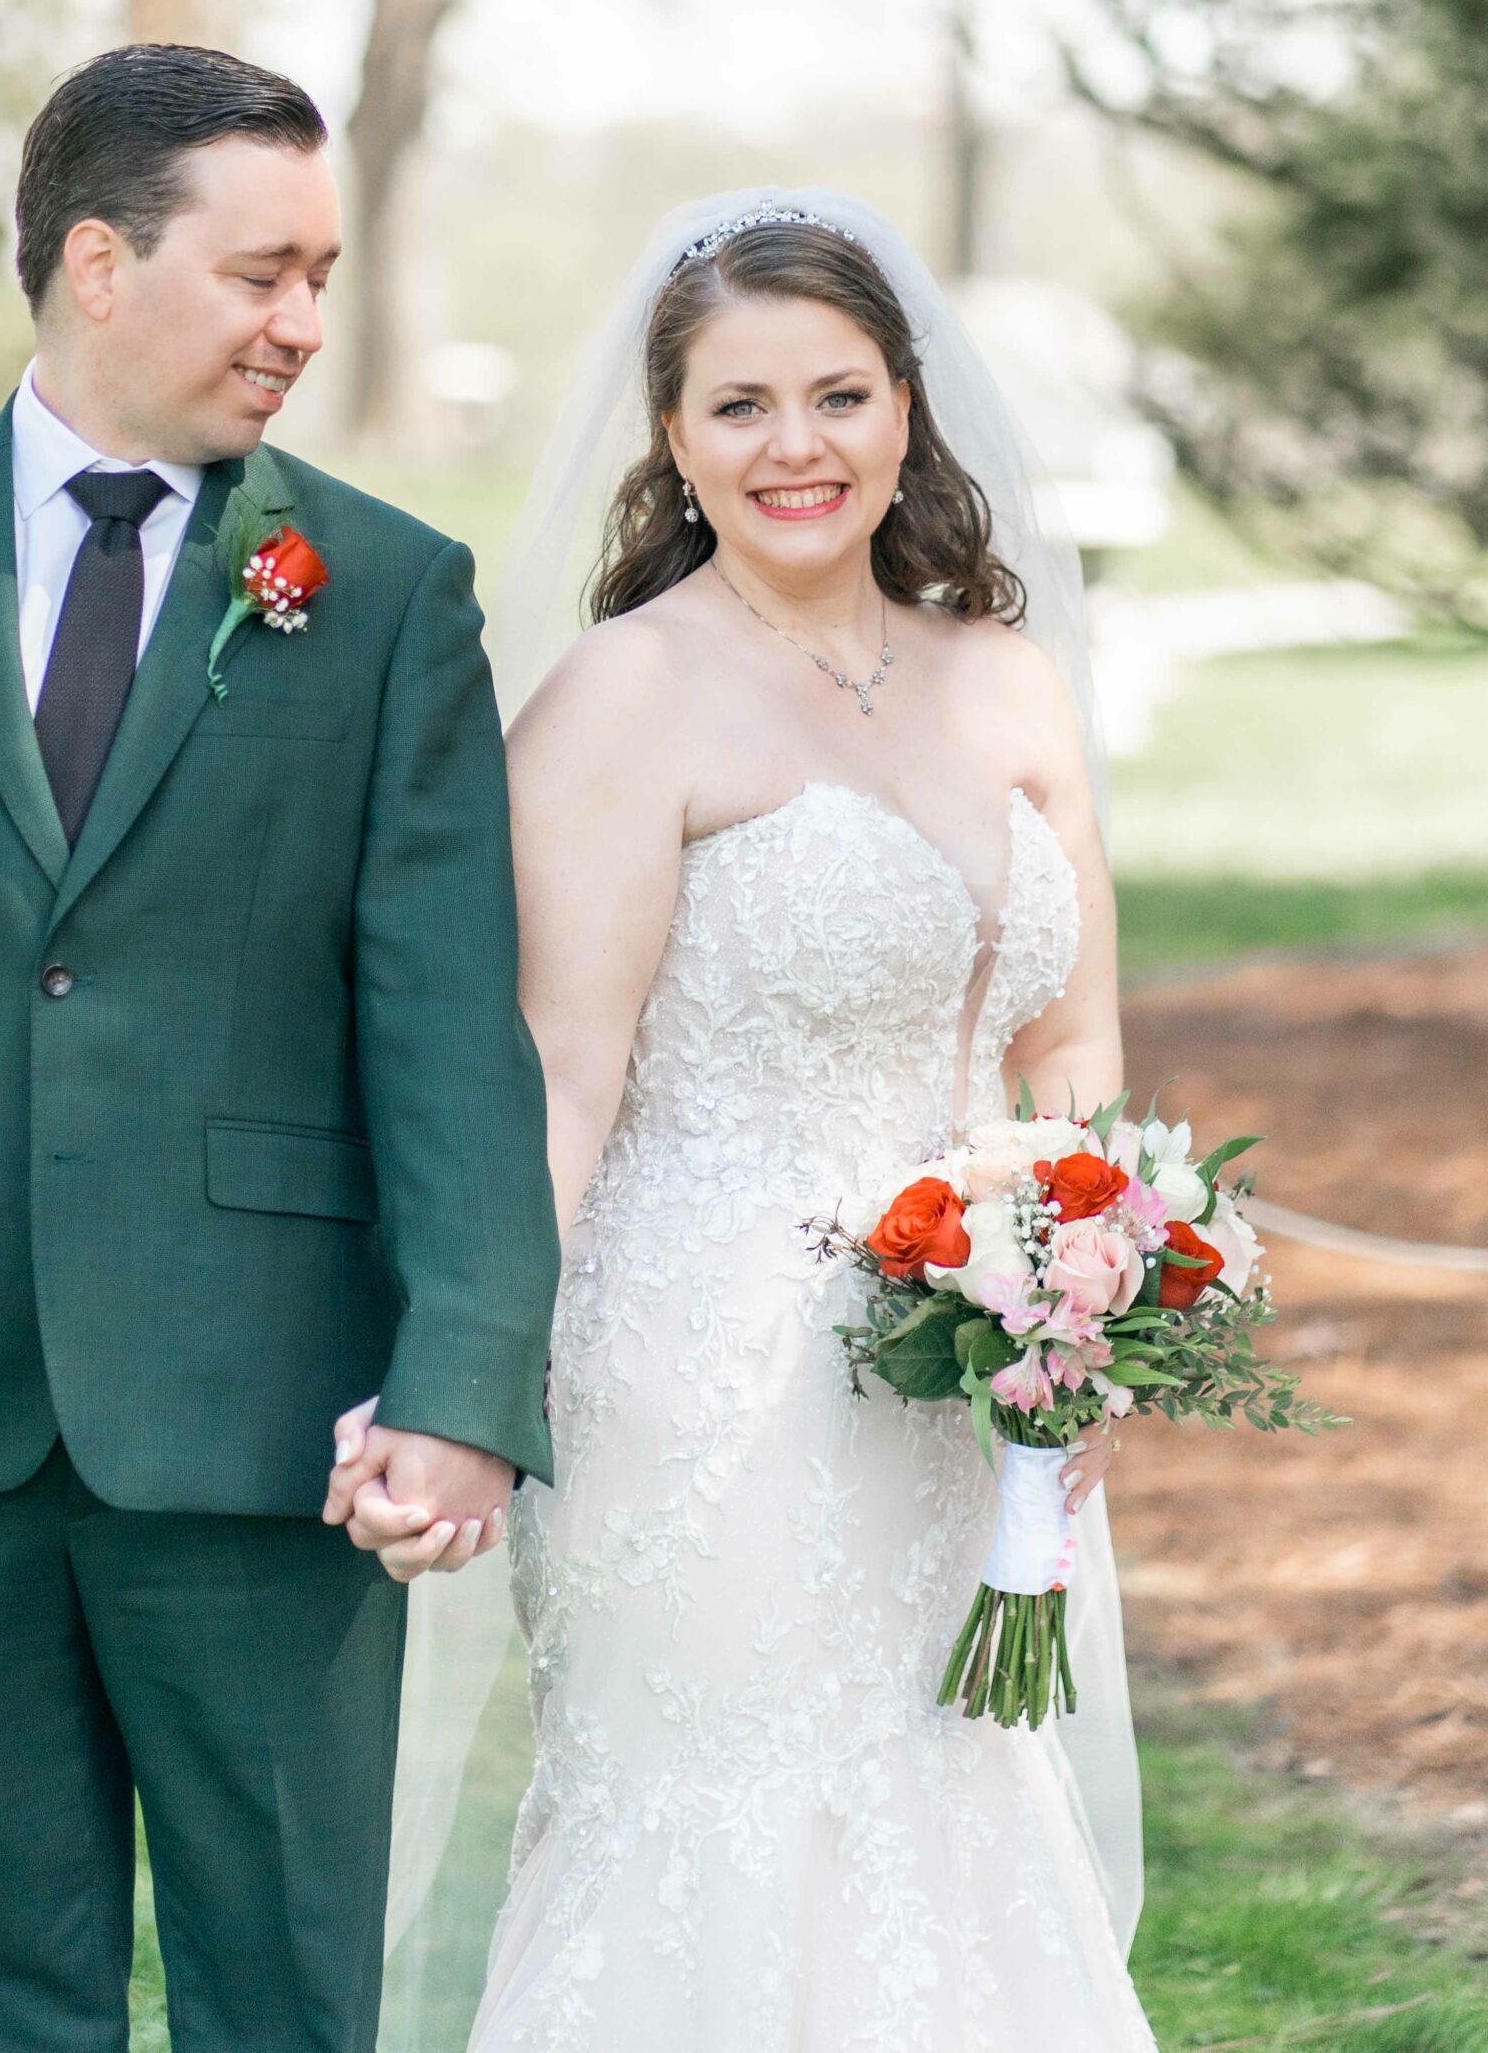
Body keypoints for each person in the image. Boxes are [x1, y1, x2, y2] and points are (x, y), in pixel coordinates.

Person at [0, 42, 560, 2053]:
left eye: (319, 275)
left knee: (279, 1995)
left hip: (270, 1420)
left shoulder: (383, 592)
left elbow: (449, 1028)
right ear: (98, 262)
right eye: (263, 272)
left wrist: (459, 1380)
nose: (304, 324)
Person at [333, 190, 1155, 2052]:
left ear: (907, 409)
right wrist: (461, 1379)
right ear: (673, 439)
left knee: (954, 1815)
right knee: (726, 1829)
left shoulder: (1005, 679)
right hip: (703, 1381)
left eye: (840, 395)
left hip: (967, 1384)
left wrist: (1086, 1314)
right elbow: (559, 1076)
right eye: (741, 406)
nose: (799, 446)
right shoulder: (626, 696)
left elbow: (1072, 1038)